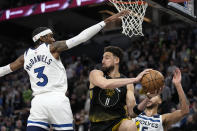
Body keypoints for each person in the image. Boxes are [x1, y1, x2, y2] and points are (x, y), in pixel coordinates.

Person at [0, 10, 129, 131]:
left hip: (38, 102)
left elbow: (5, 69)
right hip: (57, 99)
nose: (54, 39)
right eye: (50, 36)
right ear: (42, 38)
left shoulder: (25, 56)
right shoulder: (52, 47)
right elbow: (81, 38)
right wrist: (106, 21)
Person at [89, 46, 152, 131]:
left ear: (116, 60)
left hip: (118, 123)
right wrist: (135, 79)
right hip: (97, 126)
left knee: (130, 125)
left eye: (107, 58)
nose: (102, 61)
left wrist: (148, 98)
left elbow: (132, 113)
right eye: (102, 58)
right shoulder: (95, 73)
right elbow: (105, 84)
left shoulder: (128, 84)